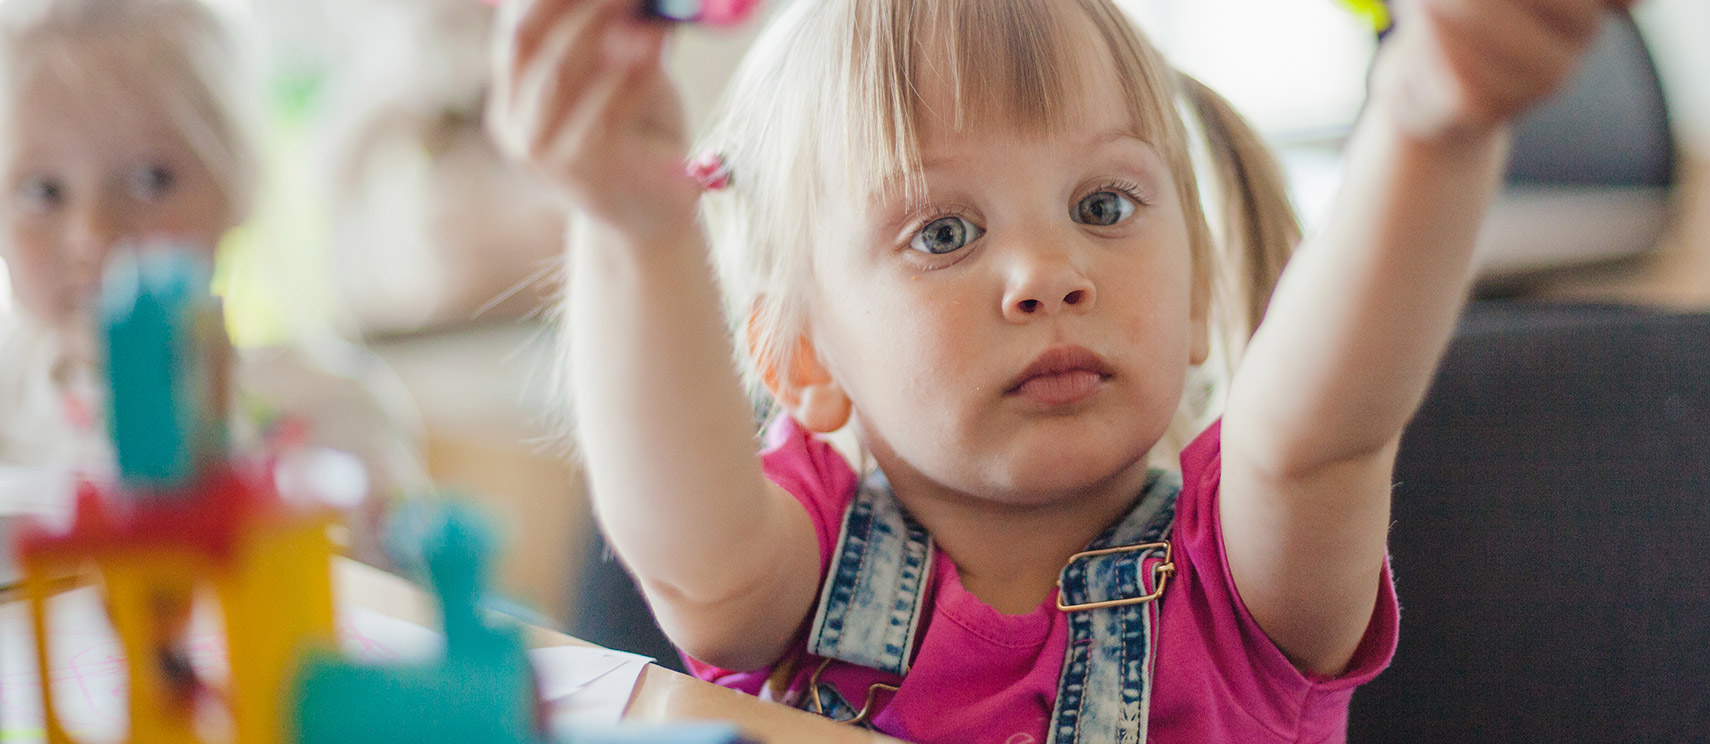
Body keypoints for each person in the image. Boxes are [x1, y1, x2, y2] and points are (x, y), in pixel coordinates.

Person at [489, 0, 1626, 740]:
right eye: (943, 233)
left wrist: (1431, 119)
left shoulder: (1246, 581)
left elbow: (1314, 430)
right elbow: (689, 553)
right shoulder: (801, 570)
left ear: (1195, 300)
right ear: (800, 358)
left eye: (1103, 206)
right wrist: (635, 225)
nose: (1046, 272)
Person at [0, 0, 428, 566]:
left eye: (152, 180)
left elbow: (407, 607)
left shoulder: (333, 413)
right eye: (43, 191)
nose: (92, 235)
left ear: (239, 188)